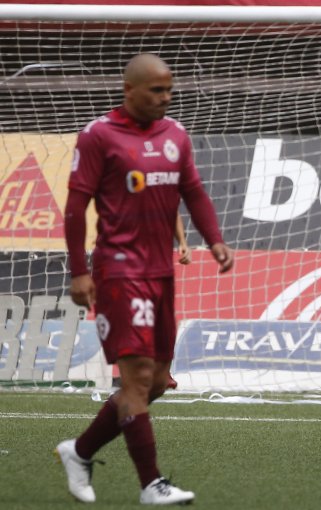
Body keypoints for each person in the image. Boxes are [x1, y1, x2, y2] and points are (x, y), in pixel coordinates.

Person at [57, 53, 234, 504]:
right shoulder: (99, 137)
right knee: (135, 380)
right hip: (118, 270)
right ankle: (152, 484)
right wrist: (79, 270)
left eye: (169, 90)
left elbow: (192, 190)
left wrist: (213, 240)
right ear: (129, 90)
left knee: (156, 382)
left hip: (160, 274)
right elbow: (76, 207)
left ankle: (79, 452)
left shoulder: (175, 135)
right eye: (156, 90)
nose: (165, 98)